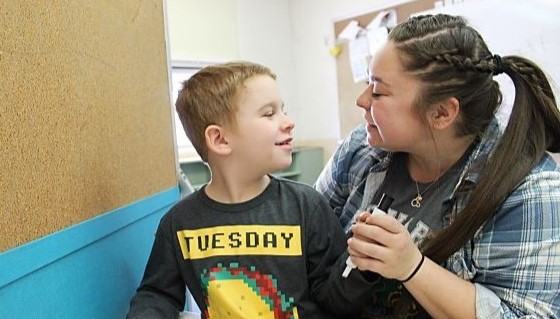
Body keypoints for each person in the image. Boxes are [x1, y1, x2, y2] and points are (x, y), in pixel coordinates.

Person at [315, 14, 560, 318]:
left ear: (442, 113)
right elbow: (308, 237)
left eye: (378, 91)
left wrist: (412, 267)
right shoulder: (362, 149)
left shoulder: (531, 192)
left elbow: (523, 313)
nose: (362, 100)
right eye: (368, 82)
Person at [126, 61, 374, 319]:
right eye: (269, 114)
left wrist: (362, 266)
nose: (288, 122)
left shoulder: (307, 207)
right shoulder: (179, 223)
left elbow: (335, 297)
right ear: (220, 139)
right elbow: (157, 295)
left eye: (283, 110)